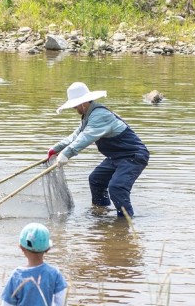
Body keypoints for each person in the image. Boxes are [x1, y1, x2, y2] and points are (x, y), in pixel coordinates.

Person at [48, 82, 149, 218]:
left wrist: (66, 153)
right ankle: (101, 213)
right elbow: (76, 135)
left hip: (133, 156)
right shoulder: (89, 116)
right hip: (117, 157)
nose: (74, 108)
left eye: (75, 105)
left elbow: (86, 137)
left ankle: (125, 221)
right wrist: (56, 149)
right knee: (96, 179)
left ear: (83, 103)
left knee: (117, 187)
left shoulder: (99, 115)